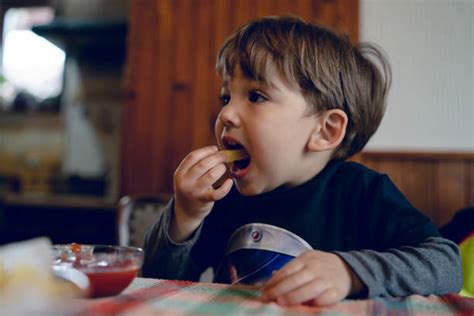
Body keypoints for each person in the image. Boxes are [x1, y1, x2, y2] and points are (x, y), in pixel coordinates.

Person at [143, 16, 462, 306]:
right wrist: (184, 217)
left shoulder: (361, 192)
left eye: (256, 96)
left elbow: (447, 265)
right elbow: (157, 280)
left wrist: (349, 272)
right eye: (226, 97)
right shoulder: (224, 196)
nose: (225, 114)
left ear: (325, 130)